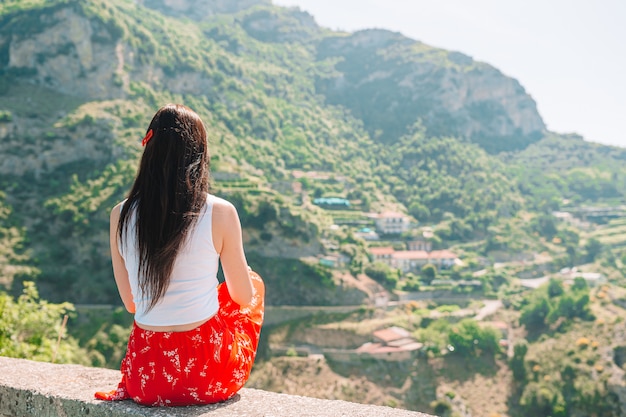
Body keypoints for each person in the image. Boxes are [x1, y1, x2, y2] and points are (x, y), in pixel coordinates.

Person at [95, 104, 264, 406]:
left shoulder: (119, 214)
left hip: (146, 378)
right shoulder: (220, 212)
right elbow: (242, 297)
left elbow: (132, 303)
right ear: (199, 155)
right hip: (207, 375)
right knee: (252, 284)